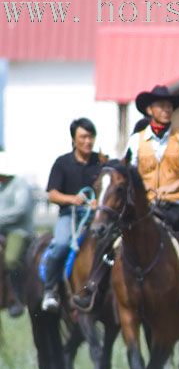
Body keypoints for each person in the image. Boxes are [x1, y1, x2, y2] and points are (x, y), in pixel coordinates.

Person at [72, 85, 179, 329]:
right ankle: (91, 288)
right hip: (143, 208)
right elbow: (129, 169)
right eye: (161, 106)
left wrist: (171, 188)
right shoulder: (137, 140)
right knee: (109, 242)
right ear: (150, 110)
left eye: (169, 106)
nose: (166, 110)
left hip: (175, 205)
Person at [41, 118, 103, 312]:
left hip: (95, 216)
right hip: (70, 215)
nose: (88, 141)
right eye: (83, 137)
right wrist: (72, 199)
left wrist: (98, 202)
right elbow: (52, 194)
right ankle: (50, 290)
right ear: (73, 139)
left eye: (91, 137)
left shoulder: (100, 164)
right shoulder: (62, 163)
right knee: (60, 244)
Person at [0, 169, 34, 317]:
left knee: (10, 259)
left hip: (17, 231)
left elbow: (20, 210)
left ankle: (17, 297)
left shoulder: (20, 184)